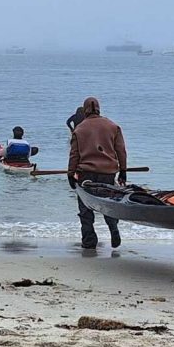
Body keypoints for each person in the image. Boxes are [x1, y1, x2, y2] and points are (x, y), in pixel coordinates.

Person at [68, 97, 127, 249]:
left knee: (85, 209)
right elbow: (121, 151)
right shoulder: (113, 126)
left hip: (86, 174)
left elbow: (74, 155)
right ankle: (113, 228)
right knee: (109, 203)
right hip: (108, 173)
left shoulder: (79, 130)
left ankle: (89, 241)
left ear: (85, 109)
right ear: (99, 108)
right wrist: (123, 171)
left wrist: (70, 174)